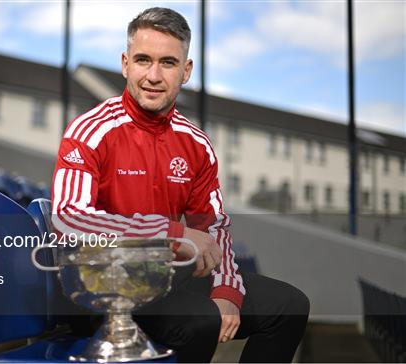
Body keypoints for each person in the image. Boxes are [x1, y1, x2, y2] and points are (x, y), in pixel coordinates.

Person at [51, 7, 310, 363]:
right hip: (109, 282)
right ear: (126, 64)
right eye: (143, 60)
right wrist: (170, 233)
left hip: (169, 278)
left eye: (168, 63)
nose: (153, 75)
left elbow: (214, 227)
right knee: (199, 321)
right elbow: (69, 219)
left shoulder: (196, 144)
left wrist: (227, 291)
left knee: (290, 306)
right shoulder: (90, 131)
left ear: (185, 71)